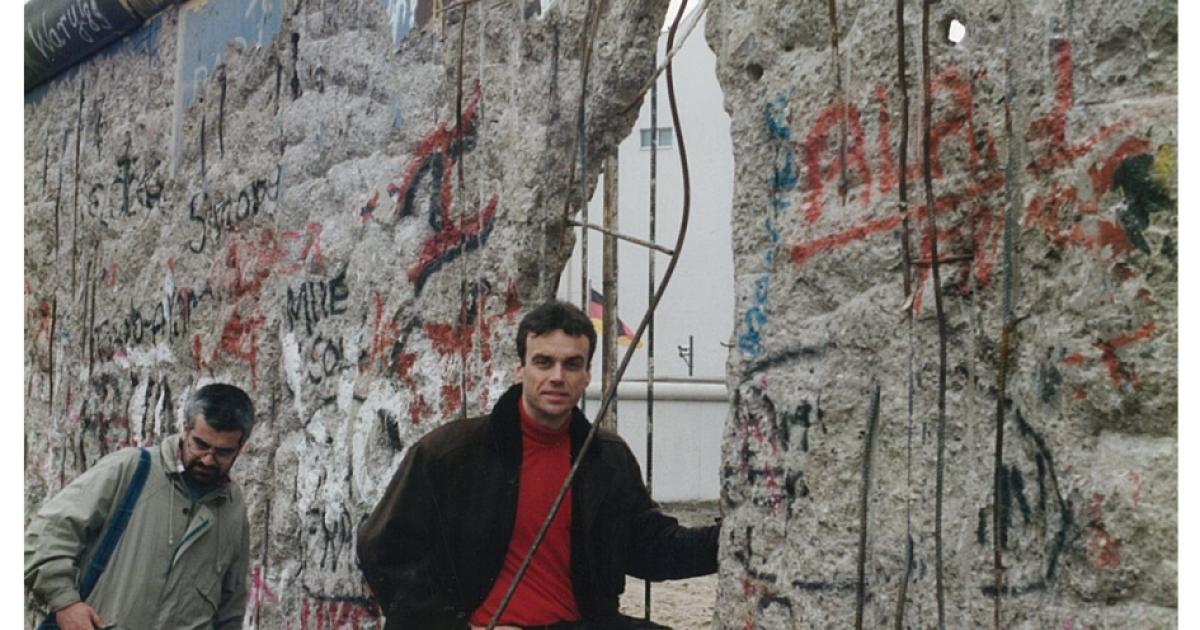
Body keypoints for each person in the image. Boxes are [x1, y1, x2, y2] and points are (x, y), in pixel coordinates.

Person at [357, 300, 719, 629]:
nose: (557, 377)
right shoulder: (451, 453)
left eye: (572, 364)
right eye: (543, 362)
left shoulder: (606, 457)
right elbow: (384, 550)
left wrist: (733, 539)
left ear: (587, 375)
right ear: (521, 369)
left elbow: (652, 548)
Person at [25, 383, 255, 630]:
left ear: (240, 448)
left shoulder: (233, 507)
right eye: (200, 444)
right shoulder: (132, 468)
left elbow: (230, 607)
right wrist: (66, 605)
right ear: (185, 429)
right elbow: (45, 536)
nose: (208, 459)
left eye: (223, 452)